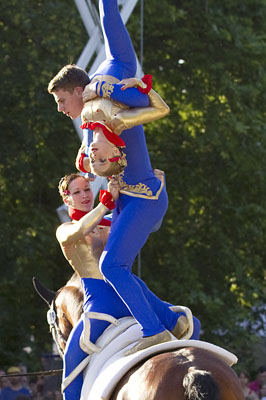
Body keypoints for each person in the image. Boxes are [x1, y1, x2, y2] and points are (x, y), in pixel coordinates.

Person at [48, 0, 192, 355]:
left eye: (62, 101)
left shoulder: (102, 102)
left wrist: (119, 90)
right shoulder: (90, 117)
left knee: (112, 264)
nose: (61, 109)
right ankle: (173, 321)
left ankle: (155, 330)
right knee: (111, 261)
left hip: (143, 200)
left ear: (77, 92)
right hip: (131, 200)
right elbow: (111, 27)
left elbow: (154, 107)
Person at [56, 173, 201, 400]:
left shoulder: (112, 219)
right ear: (67, 199)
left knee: (190, 323)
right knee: (70, 367)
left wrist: (156, 190)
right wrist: (105, 205)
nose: (85, 195)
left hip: (133, 295)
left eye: (86, 189)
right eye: (77, 192)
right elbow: (80, 229)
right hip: (101, 309)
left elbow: (151, 224)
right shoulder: (66, 229)